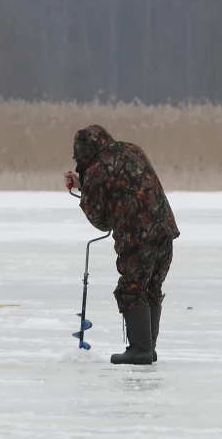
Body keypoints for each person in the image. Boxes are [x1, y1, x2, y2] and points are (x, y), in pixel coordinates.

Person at [64, 124, 180, 365]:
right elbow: (122, 182)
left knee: (132, 288)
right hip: (165, 229)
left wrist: (85, 188)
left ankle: (140, 350)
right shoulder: (130, 150)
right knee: (151, 287)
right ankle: (148, 348)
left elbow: (101, 221)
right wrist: (85, 183)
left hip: (137, 236)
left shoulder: (97, 168)